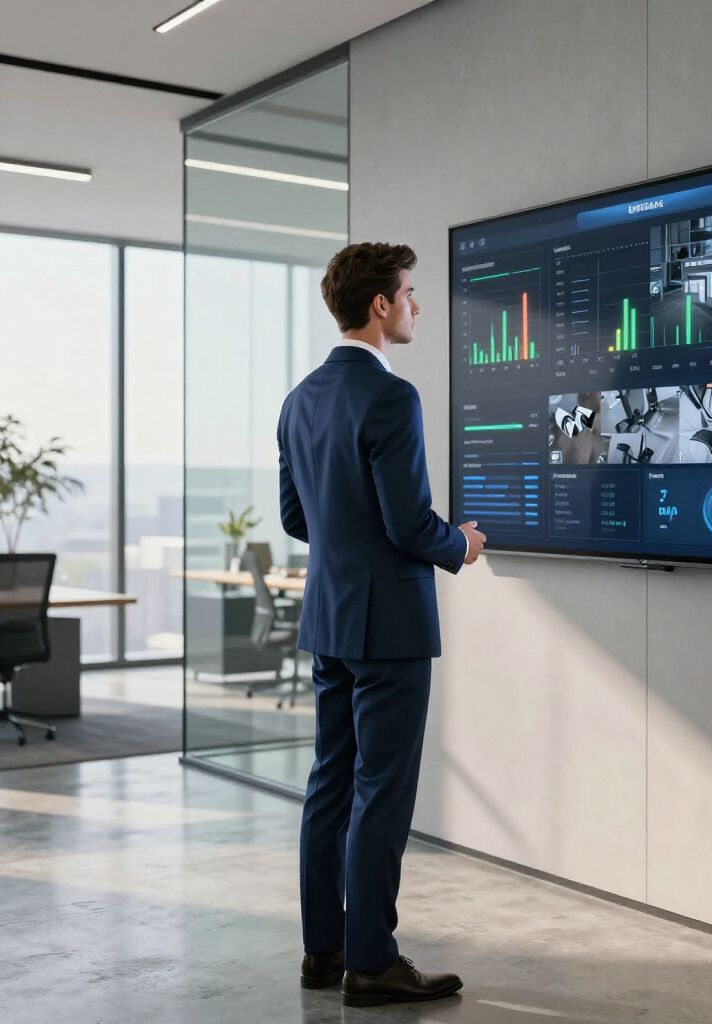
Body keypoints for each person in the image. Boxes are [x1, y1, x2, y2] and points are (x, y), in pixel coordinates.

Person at [277, 242, 486, 1008]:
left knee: (329, 783)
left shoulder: (298, 400)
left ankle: (321, 953)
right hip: (390, 624)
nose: (416, 306)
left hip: (329, 618)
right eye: (410, 293)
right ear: (380, 307)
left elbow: (298, 517)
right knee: (381, 794)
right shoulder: (392, 399)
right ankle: (372, 961)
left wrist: (352, 541)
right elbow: (408, 523)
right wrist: (457, 546)